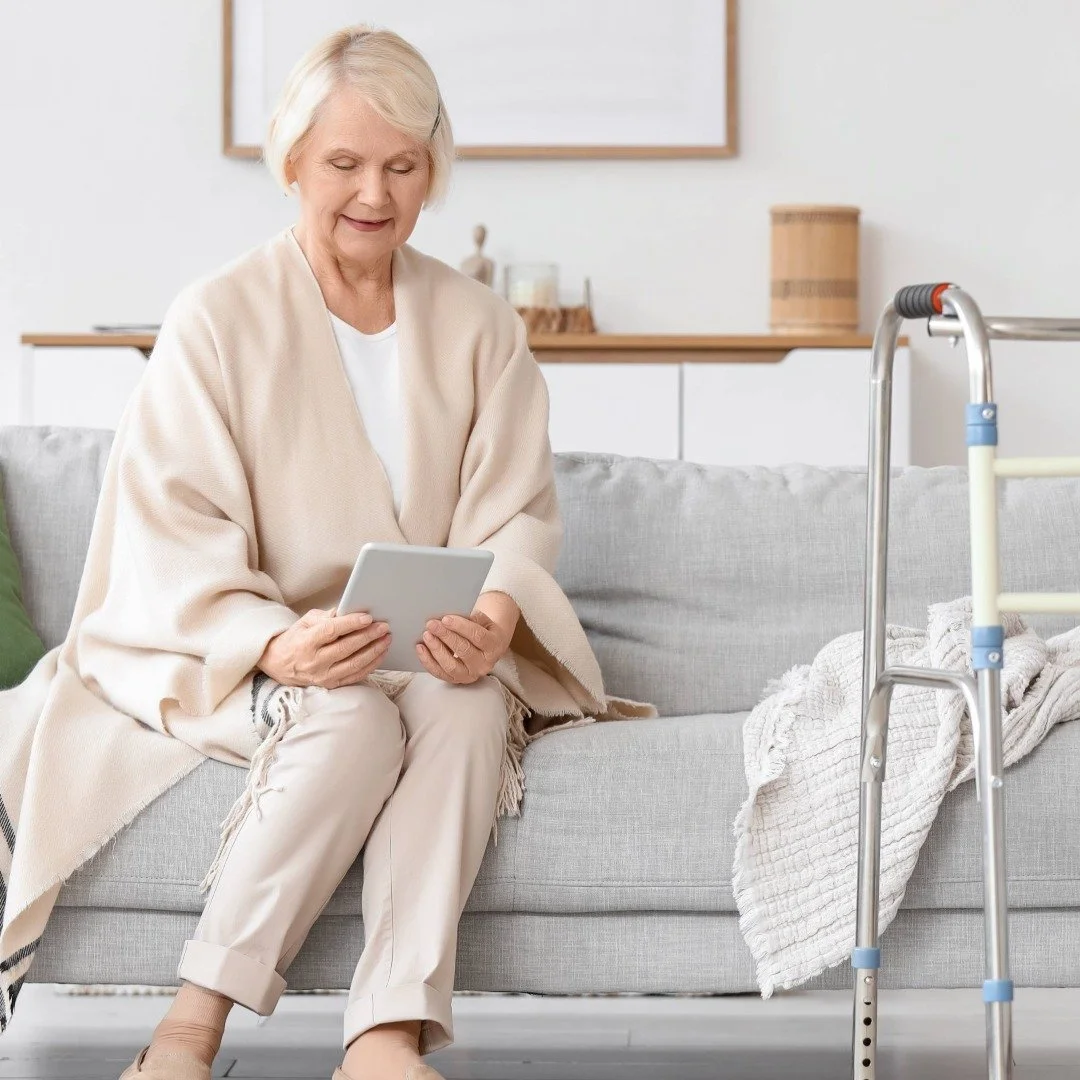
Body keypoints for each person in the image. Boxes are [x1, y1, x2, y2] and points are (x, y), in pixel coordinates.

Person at [0, 23, 655, 1080]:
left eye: (402, 166)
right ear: (292, 161)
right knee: (348, 722)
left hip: (429, 654)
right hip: (270, 656)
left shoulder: (483, 326)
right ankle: (187, 1030)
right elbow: (174, 530)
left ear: (432, 174)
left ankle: (384, 1038)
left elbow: (515, 520)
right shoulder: (214, 320)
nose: (373, 192)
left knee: (465, 706)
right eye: (345, 163)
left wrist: (491, 620)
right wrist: (273, 641)